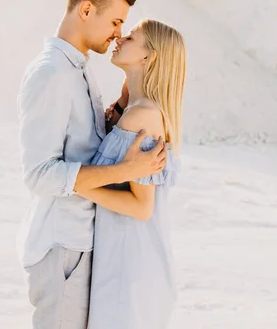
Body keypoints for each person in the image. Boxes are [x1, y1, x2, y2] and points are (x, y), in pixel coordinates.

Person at [16, 0, 167, 329]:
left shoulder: (78, 68)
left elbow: (78, 140)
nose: (118, 34)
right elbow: (39, 174)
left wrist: (115, 113)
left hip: (80, 241)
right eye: (116, 22)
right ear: (86, 10)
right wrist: (126, 171)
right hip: (61, 247)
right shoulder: (51, 73)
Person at [77, 19, 186, 329]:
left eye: (132, 37)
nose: (120, 38)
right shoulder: (137, 110)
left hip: (132, 263)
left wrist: (75, 183)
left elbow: (141, 206)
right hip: (129, 258)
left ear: (147, 57)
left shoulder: (144, 115)